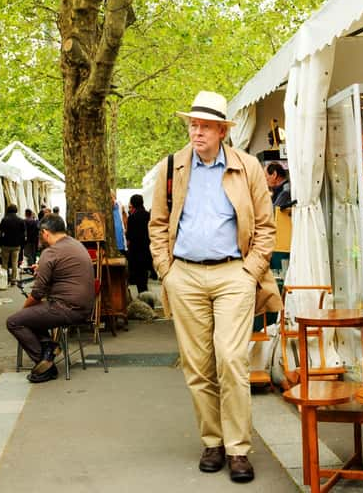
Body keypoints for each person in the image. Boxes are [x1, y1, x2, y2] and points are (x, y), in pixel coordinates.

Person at [149, 90, 279, 484]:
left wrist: (249, 271)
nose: (197, 131)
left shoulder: (249, 167)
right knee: (198, 365)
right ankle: (213, 441)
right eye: (193, 123)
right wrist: (166, 270)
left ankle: (239, 448)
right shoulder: (171, 168)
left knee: (231, 360)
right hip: (184, 275)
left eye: (205, 125)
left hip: (233, 275)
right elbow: (157, 224)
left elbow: (265, 226)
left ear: (223, 130)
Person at [5, 214, 95, 383]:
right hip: (85, 308)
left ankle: (45, 363)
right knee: (33, 316)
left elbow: (37, 293)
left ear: (45, 232)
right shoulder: (76, 244)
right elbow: (63, 270)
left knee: (15, 321)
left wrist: (24, 310)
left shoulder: (51, 252)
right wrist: (42, 268)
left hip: (66, 308)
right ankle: (48, 347)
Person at [124, 194, 151, 293]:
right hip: (146, 249)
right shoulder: (148, 215)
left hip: (135, 250)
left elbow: (129, 236)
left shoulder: (132, 218)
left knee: (139, 275)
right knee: (144, 274)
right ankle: (145, 292)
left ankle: (142, 293)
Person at [0, 204, 25, 287]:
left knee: (4, 263)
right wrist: (21, 244)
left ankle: (5, 280)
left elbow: (0, 233)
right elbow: (23, 234)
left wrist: (0, 243)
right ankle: (13, 280)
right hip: (16, 245)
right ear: (16, 210)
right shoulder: (20, 220)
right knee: (14, 263)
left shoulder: (4, 220)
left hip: (5, 245)